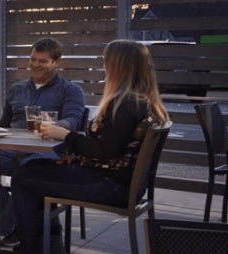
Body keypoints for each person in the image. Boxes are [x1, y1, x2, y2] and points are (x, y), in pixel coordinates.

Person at [9, 39, 170, 253]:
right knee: (36, 169)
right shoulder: (143, 101)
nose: (103, 66)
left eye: (106, 62)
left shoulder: (126, 104)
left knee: (23, 177)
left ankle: (31, 247)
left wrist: (66, 135)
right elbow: (113, 149)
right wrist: (75, 157)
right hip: (121, 182)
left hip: (111, 187)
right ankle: (50, 244)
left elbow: (105, 150)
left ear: (118, 67)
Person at [0, 38, 85, 248]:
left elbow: (72, 121)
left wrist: (55, 126)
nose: (35, 65)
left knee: (26, 172)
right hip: (12, 149)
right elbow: (3, 125)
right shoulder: (17, 89)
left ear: (57, 62)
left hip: (47, 153)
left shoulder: (71, 91)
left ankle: (1, 226)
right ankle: (10, 220)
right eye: (32, 59)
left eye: (43, 61)